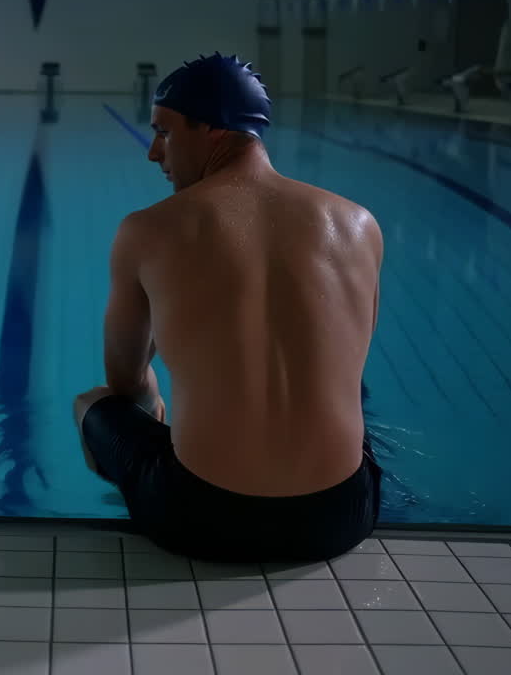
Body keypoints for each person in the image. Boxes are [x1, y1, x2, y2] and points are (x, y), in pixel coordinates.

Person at [73, 53, 384, 563]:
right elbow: (347, 367)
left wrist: (158, 406)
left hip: (199, 517)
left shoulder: (147, 230)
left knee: (93, 404)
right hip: (342, 515)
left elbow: (125, 382)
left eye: (165, 132)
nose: (154, 152)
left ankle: (144, 483)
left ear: (213, 129)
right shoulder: (359, 224)